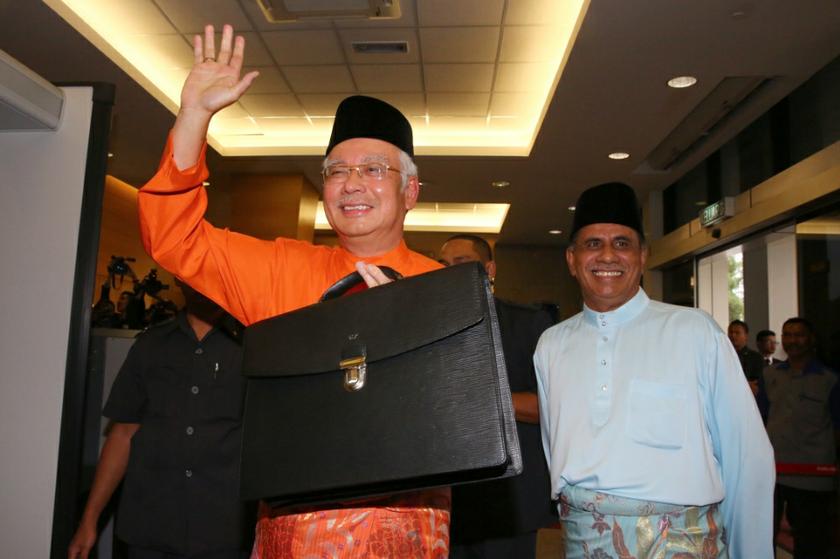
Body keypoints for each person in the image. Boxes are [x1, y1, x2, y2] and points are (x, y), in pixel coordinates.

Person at [137, 24, 448, 558]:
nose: (352, 183)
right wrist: (193, 118)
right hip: (295, 532)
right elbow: (173, 238)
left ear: (410, 191)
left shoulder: (444, 291)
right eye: (337, 171)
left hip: (407, 532)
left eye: (375, 169)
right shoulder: (282, 267)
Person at [533, 182, 775, 558]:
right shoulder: (551, 344)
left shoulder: (695, 331)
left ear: (643, 256)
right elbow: (554, 448)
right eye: (593, 243)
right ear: (571, 259)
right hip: (583, 543)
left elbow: (747, 459)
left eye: (622, 243)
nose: (608, 255)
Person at [68, 282, 251, 559]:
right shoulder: (151, 345)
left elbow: (270, 440)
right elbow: (122, 433)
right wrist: (89, 519)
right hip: (150, 526)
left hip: (224, 530)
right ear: (180, 278)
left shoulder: (252, 347)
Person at [438, 234, 556, 558]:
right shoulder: (431, 327)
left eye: (461, 264)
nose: (449, 272)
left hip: (510, 501)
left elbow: (554, 406)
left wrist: (488, 397)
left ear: (489, 269)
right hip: (447, 503)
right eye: (442, 266)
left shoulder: (529, 323)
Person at [758, 317, 840, 559]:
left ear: (811, 339)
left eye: (799, 335)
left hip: (813, 476)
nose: (793, 340)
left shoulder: (829, 379)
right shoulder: (771, 374)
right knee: (764, 534)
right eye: (788, 335)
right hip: (773, 471)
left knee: (811, 540)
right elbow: (760, 418)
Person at [728, 319, 765, 392]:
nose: (733, 335)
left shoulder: (756, 357)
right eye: (730, 332)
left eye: (737, 333)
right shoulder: (723, 356)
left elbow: (756, 384)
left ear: (746, 336)